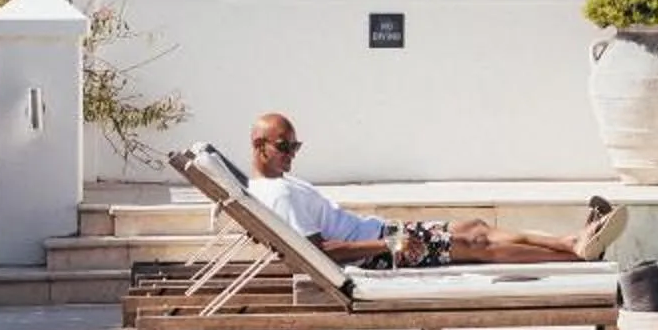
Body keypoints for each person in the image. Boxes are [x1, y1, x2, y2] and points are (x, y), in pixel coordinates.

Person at [244, 113, 627, 264]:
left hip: (381, 235)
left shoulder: (276, 183)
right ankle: (575, 254)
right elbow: (316, 252)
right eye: (284, 146)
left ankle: (569, 242)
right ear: (259, 145)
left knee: (475, 227)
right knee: (476, 242)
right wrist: (389, 244)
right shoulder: (279, 194)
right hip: (378, 254)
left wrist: (386, 236)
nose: (292, 154)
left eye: (296, 146)